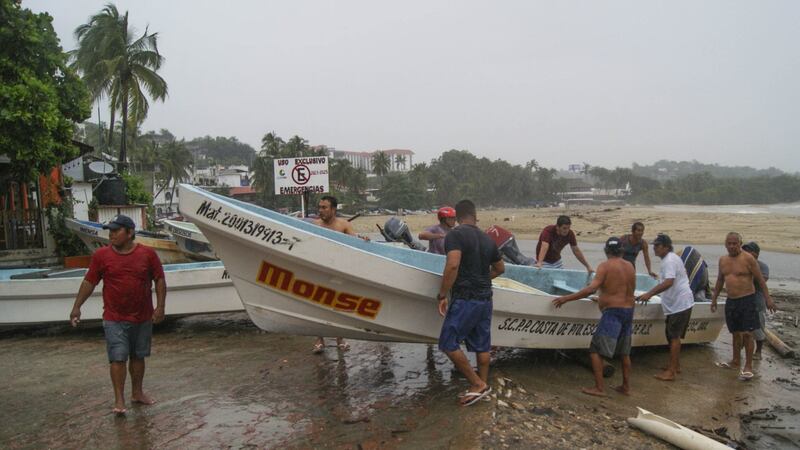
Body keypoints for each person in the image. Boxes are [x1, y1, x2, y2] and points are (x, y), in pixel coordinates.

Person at [69, 215, 166, 416]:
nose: (111, 234)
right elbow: (89, 282)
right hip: (114, 317)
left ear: (130, 233)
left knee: (139, 356)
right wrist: (77, 307)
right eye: (110, 230)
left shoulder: (148, 254)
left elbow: (159, 280)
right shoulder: (101, 256)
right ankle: (119, 399)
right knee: (118, 358)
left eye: (116, 230)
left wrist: (160, 307)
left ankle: (137, 393)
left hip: (142, 316)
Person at [437, 199, 505, 406]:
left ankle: (477, 384)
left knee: (448, 343)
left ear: (457, 217)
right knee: (482, 345)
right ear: (475, 216)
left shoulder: (455, 235)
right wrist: (482, 280)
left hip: (466, 298)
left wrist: (442, 294)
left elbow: (452, 266)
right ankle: (482, 386)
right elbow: (500, 268)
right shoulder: (487, 239)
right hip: (485, 298)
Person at [552, 237, 636, 397]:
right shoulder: (630, 266)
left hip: (613, 312)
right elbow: (627, 290)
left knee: (595, 350)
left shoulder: (605, 266)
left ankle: (599, 388)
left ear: (606, 251)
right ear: (622, 250)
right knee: (624, 352)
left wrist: (566, 298)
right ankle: (626, 387)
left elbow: (591, 289)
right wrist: (605, 297)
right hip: (628, 310)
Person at [712, 232, 776, 381]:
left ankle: (748, 366)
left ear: (740, 244)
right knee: (735, 333)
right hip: (731, 301)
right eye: (729, 243)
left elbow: (760, 281)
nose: (732, 246)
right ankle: (735, 361)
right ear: (725, 244)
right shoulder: (723, 260)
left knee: (748, 334)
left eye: (735, 243)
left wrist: (768, 299)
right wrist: (714, 298)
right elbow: (720, 280)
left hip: (747, 300)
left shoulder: (748, 259)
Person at [637, 234, 694, 381]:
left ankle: (671, 372)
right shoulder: (671, 259)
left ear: (666, 247)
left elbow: (669, 282)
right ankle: (675, 365)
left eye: (657, 246)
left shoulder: (669, 260)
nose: (654, 248)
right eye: (654, 245)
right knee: (671, 336)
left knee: (674, 336)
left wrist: (649, 294)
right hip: (677, 304)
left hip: (680, 304)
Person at [311, 195, 356, 353]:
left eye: (324, 207)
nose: (321, 211)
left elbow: (356, 246)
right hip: (320, 270)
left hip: (339, 271)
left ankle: (340, 339)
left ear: (333, 209)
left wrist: (364, 240)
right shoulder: (316, 225)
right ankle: (319, 339)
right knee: (317, 305)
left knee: (337, 305)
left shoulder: (344, 225)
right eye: (320, 207)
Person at [742, 242, 770, 360]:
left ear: (755, 254)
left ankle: (758, 351)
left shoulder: (762, 266)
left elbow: (761, 281)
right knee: (742, 328)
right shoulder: (741, 264)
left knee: (758, 327)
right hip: (743, 300)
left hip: (757, 301)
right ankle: (741, 350)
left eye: (748, 252)